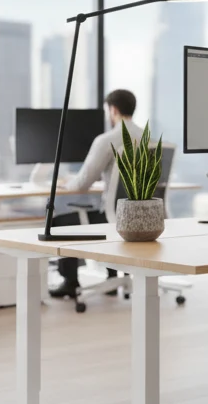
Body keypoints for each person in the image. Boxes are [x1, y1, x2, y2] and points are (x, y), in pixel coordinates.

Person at [48, 89, 144, 299]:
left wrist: (64, 184)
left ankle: (70, 282)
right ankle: (112, 278)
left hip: (115, 217)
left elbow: (81, 183)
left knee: (62, 220)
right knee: (95, 211)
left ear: (113, 109)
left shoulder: (107, 139)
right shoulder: (146, 137)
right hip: (141, 216)